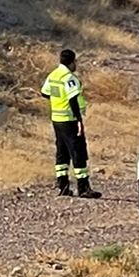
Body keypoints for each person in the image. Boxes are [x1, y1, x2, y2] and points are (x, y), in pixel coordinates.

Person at [41, 49, 99, 198]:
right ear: (72, 62)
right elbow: (73, 99)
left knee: (62, 153)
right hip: (69, 120)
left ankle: (62, 186)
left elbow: (45, 93)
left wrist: (57, 101)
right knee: (78, 152)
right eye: (75, 62)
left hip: (56, 119)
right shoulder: (69, 78)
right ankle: (83, 188)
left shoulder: (53, 75)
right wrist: (79, 120)